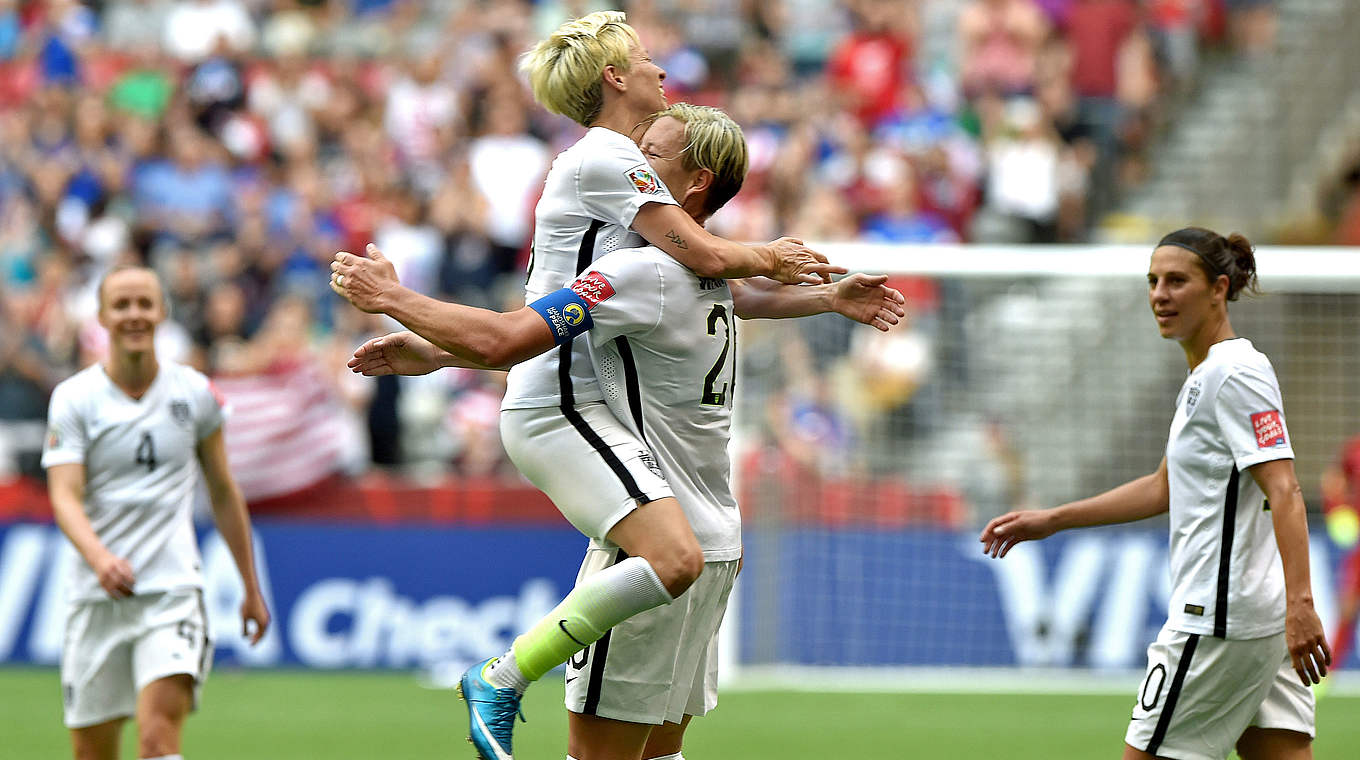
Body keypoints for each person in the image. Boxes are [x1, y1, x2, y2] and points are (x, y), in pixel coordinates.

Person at [338, 11, 843, 759]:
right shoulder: (609, 163)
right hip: (565, 401)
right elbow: (695, 255)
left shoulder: (643, 236)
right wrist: (772, 253)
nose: (661, 74)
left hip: (579, 387)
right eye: (645, 61)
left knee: (666, 705)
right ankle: (503, 677)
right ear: (614, 75)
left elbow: (697, 286)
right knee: (672, 558)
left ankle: (506, 677)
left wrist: (829, 295)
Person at [979, 227, 1330, 760]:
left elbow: (1284, 489)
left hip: (1217, 621)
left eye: (1176, 281)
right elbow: (1163, 487)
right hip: (1256, 618)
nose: (1159, 295)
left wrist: (1303, 603)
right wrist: (1052, 519)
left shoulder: (1234, 373)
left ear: (1218, 288)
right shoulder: (1206, 376)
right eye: (1152, 281)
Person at [41, 265, 270, 760]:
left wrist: (251, 588)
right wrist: (100, 558)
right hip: (95, 597)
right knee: (93, 753)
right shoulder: (74, 399)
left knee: (156, 740)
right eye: (121, 305)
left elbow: (224, 491)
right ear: (101, 316)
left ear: (163, 311)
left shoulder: (194, 393)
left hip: (172, 592)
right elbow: (64, 496)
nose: (134, 314)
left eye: (144, 303)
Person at [1321, 433, 1360, 673]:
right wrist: (1336, 508)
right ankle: (1328, 671)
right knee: (1347, 608)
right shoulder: (1354, 449)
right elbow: (1333, 480)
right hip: (1358, 549)